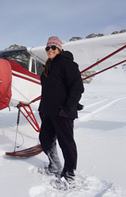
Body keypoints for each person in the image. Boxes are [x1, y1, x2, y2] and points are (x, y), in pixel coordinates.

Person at [38, 36, 84, 184]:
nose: (50, 50)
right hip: (48, 112)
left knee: (66, 143)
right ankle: (55, 165)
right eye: (47, 48)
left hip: (63, 112)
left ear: (59, 48)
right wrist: (41, 109)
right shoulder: (48, 67)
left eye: (53, 47)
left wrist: (67, 108)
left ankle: (69, 175)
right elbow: (47, 91)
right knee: (45, 140)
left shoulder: (67, 64)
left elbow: (77, 88)